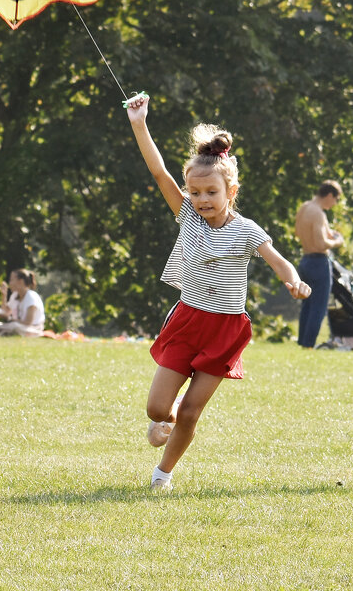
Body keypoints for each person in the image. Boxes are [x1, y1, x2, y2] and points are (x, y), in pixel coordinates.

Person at [125, 94, 311, 491]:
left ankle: (163, 475)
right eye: (195, 192)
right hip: (188, 319)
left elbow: (277, 259)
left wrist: (292, 281)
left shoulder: (246, 230)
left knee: (191, 412)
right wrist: (140, 124)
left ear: (231, 190)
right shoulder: (188, 218)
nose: (201, 200)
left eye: (210, 192)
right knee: (158, 408)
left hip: (225, 329)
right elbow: (159, 173)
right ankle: (166, 412)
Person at [295, 180, 344, 348]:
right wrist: (337, 241)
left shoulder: (305, 207)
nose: (335, 203)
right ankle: (308, 344)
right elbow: (322, 243)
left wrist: (329, 233)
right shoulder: (318, 213)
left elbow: (299, 232)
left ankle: (303, 342)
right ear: (329, 195)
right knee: (319, 306)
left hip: (305, 260)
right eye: (336, 199)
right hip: (318, 262)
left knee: (307, 304)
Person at [0, 268, 46, 337]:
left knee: (13, 326)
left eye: (11, 280)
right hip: (20, 326)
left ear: (21, 281)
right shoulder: (15, 295)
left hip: (33, 329)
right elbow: (6, 312)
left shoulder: (31, 297)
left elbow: (28, 323)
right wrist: (4, 295)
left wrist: (10, 319)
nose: (10, 283)